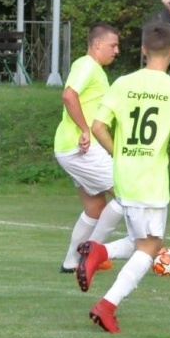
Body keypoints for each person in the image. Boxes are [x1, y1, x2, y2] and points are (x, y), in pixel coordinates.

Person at [76, 20, 170, 333]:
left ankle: (99, 251)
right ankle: (107, 305)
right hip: (150, 180)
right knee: (151, 246)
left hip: (125, 174)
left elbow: (98, 126)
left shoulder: (122, 84)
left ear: (143, 50)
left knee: (140, 241)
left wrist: (119, 153)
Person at [55, 23, 126, 273]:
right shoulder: (87, 65)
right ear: (97, 45)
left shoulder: (93, 69)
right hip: (81, 148)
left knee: (95, 207)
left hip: (72, 147)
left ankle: (71, 261)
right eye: (113, 45)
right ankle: (96, 252)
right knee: (125, 194)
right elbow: (68, 95)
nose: (116, 50)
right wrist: (85, 129)